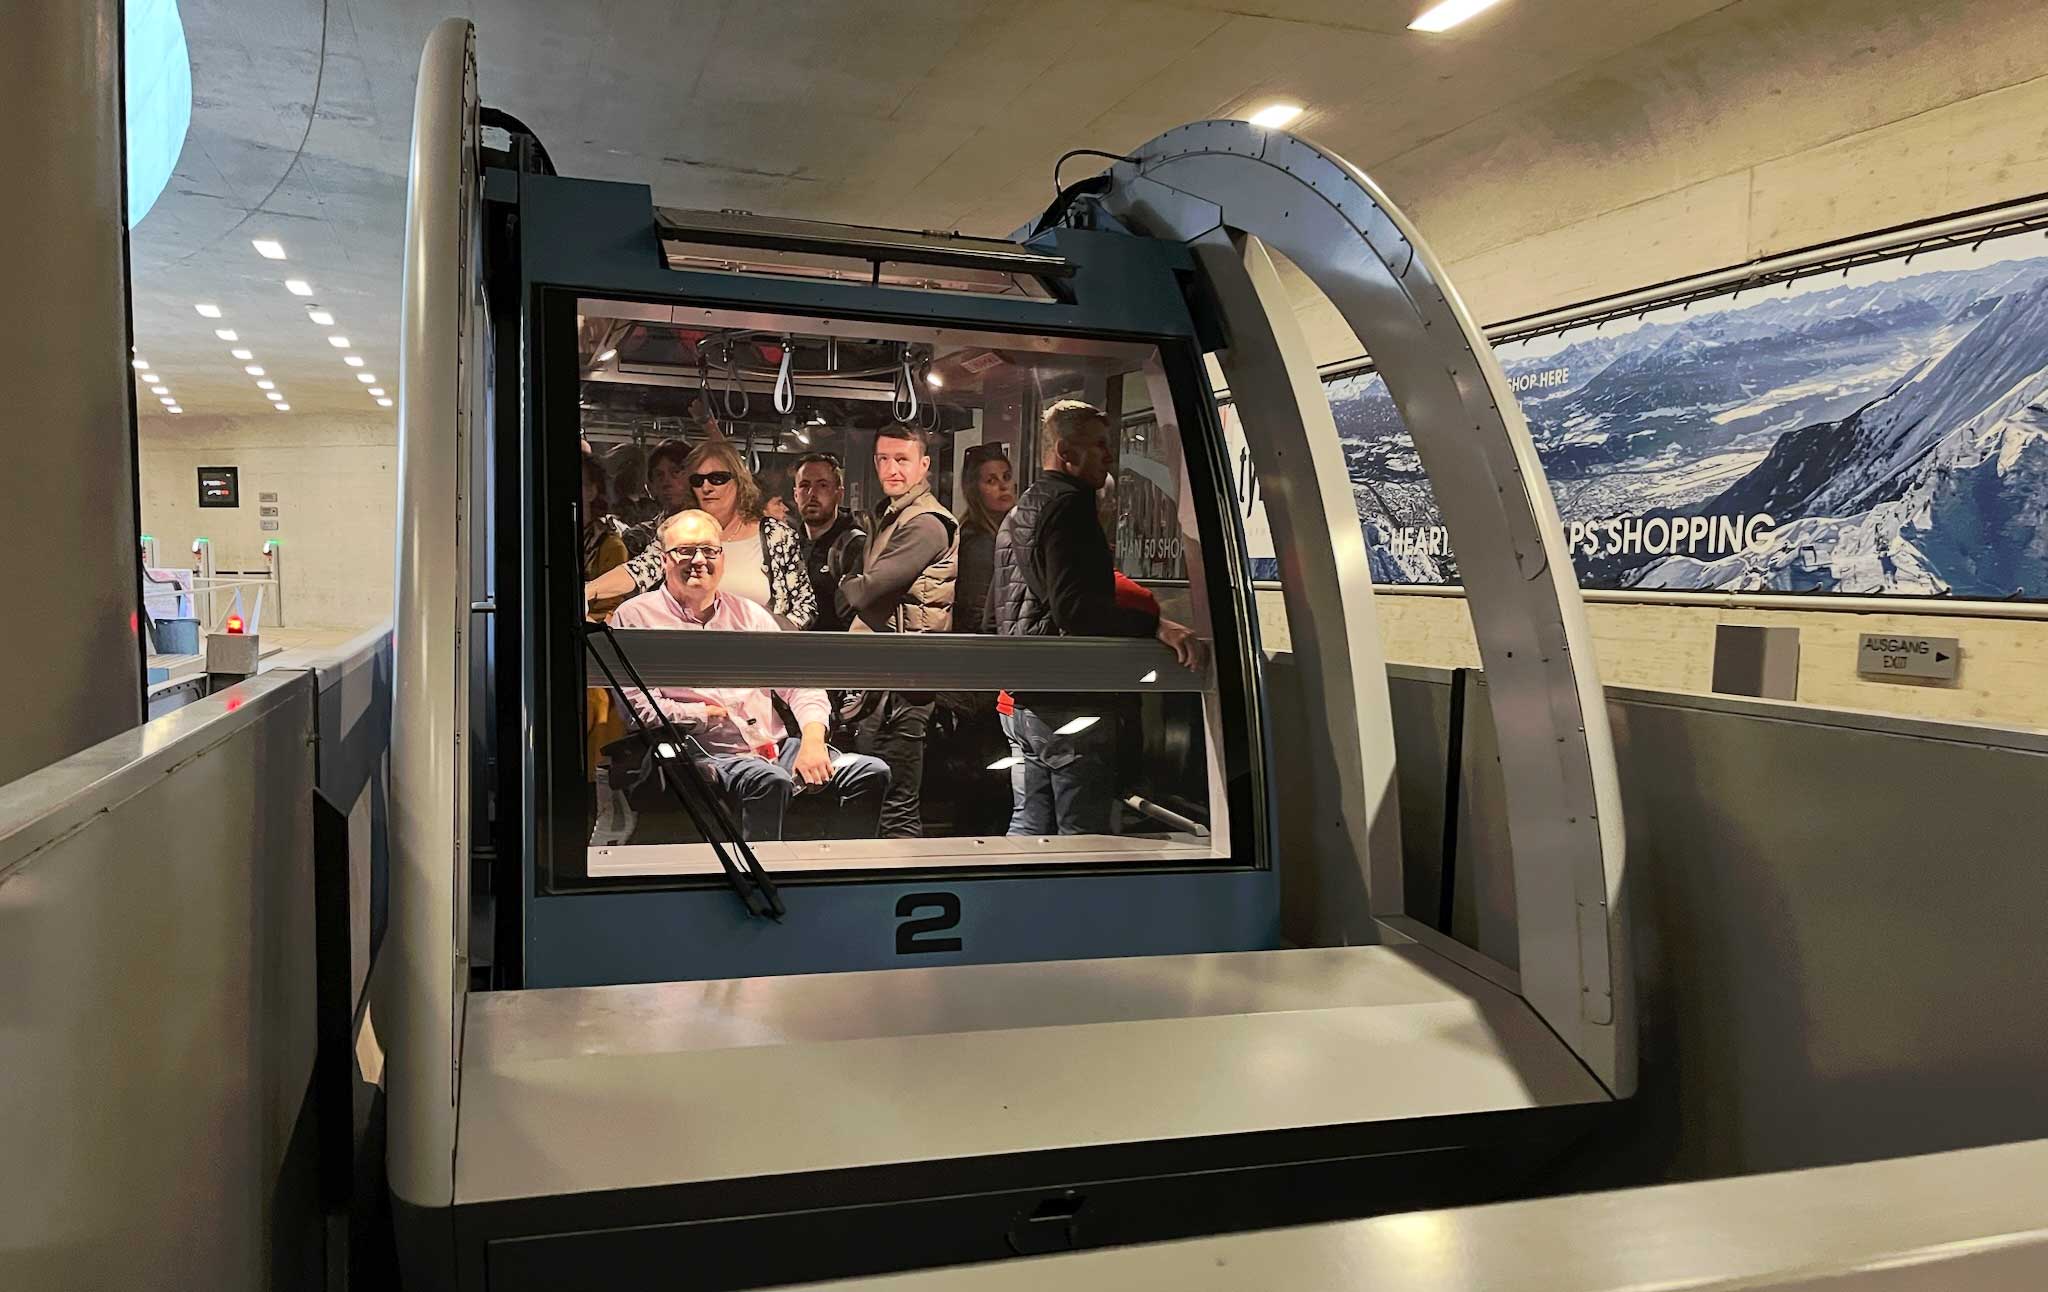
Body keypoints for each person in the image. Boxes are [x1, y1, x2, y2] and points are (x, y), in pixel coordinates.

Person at [988, 400, 1206, 836]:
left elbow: (996, 606)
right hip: (1069, 700)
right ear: (1066, 451)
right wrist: (1151, 627)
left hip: (1023, 701)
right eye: (1100, 445)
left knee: (1029, 825)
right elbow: (1077, 610)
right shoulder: (1071, 506)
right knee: (1080, 836)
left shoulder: (1022, 509)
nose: (1110, 456)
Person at [610, 509, 889, 841]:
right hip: (704, 752)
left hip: (774, 748)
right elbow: (637, 710)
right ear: (664, 560)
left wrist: (813, 741)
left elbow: (800, 684)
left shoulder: (750, 614)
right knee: (767, 780)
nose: (698, 560)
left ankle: (843, 868)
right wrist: (702, 714)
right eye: (685, 550)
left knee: (871, 772)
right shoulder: (635, 616)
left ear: (722, 559)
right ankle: (764, 873)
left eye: (709, 550)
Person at [834, 424, 959, 837]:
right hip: (887, 676)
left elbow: (866, 590)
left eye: (902, 459)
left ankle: (901, 874)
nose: (892, 469)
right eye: (884, 459)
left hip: (904, 682)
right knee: (878, 803)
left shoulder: (925, 522)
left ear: (924, 465)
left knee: (895, 806)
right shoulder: (894, 515)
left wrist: (846, 583)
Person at [587, 439, 817, 628]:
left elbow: (805, 606)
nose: (707, 487)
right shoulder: (680, 530)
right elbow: (639, 570)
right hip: (689, 653)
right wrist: (588, 590)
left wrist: (772, 636)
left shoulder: (775, 535)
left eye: (717, 478)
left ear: (739, 481)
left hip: (757, 656)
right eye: (698, 480)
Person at [792, 452, 866, 632]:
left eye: (822, 485)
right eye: (804, 485)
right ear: (795, 495)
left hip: (837, 646)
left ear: (839, 493)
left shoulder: (854, 546)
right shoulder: (789, 544)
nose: (812, 494)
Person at [953, 444, 1015, 634]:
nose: (1003, 486)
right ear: (975, 490)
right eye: (991, 481)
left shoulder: (1006, 532)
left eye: (1006, 477)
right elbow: (977, 615)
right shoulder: (978, 541)